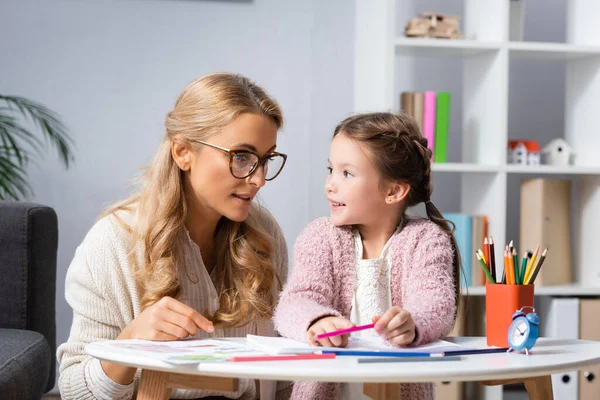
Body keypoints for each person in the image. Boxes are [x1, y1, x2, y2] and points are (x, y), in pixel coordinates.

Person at [57, 73, 292, 400]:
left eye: (266, 160)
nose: (259, 180)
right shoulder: (113, 242)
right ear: (182, 152)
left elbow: (284, 382)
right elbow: (72, 390)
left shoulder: (265, 233)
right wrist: (130, 341)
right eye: (241, 157)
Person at [274, 112, 460, 400]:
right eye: (330, 169)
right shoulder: (320, 236)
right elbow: (295, 301)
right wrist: (316, 321)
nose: (330, 184)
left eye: (346, 173)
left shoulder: (426, 239)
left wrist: (413, 323)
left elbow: (437, 303)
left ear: (393, 191)